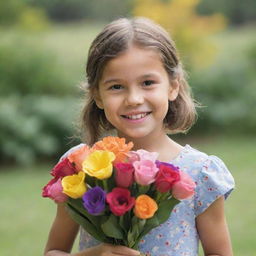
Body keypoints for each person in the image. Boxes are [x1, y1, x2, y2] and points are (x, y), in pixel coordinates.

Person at [44, 17, 235, 256]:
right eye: (116, 86)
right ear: (98, 95)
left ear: (173, 86)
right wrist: (96, 253)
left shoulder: (199, 173)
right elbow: (53, 251)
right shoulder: (82, 167)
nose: (133, 99)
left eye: (147, 82)